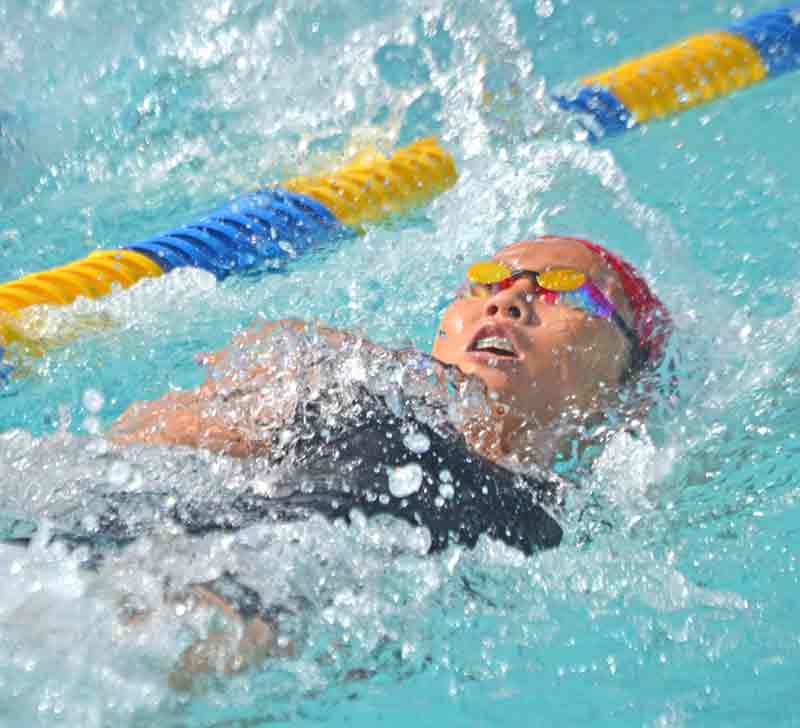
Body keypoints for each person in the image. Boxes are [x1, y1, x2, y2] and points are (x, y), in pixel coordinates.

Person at [14, 235, 673, 685]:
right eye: (486, 282)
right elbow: (125, 450)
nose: (508, 299)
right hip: (97, 553)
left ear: (630, 393)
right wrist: (278, 381)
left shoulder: (568, 521)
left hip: (211, 629)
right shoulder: (353, 386)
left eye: (564, 290)